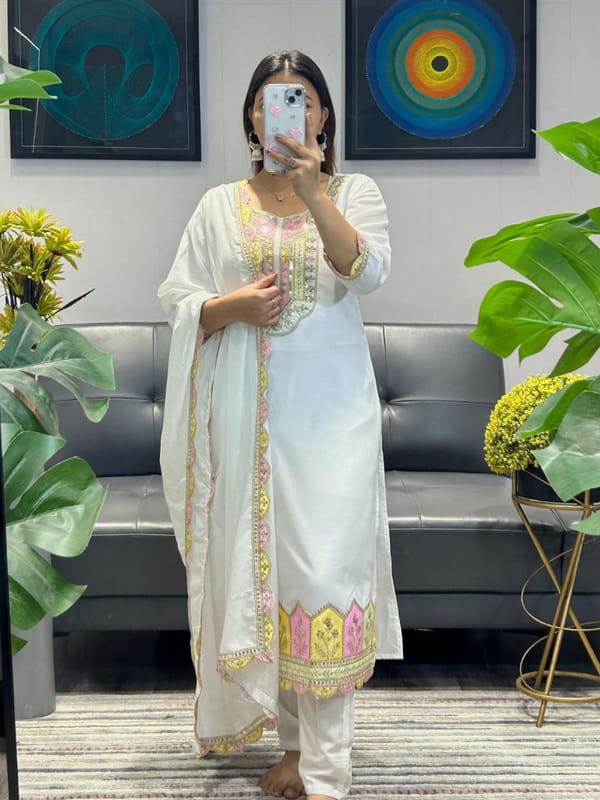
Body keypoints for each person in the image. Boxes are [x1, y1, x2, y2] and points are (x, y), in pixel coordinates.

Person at [158, 50, 402, 800]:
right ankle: (296, 750)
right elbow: (178, 297)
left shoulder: (355, 192)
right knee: (275, 581)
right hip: (248, 422)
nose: (285, 111)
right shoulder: (218, 206)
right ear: (252, 116)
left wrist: (312, 190)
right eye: (271, 100)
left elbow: (368, 272)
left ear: (322, 115)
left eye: (301, 99)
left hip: (333, 420)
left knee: (326, 578)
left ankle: (328, 772)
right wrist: (225, 308)